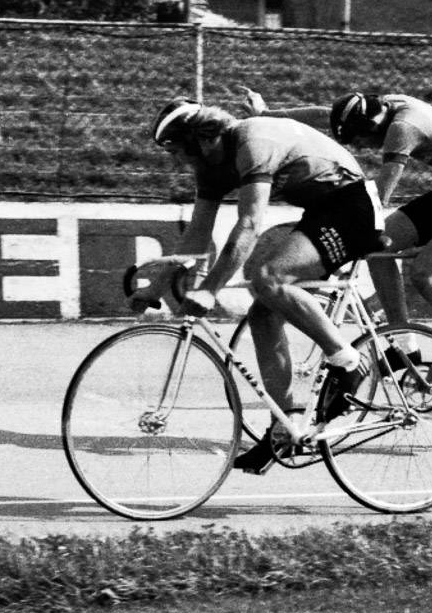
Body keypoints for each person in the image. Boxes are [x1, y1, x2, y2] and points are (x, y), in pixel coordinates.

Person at [148, 98, 388, 473]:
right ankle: (286, 426)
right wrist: (155, 285)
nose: (181, 162)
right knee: (262, 315)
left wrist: (210, 288)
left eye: (181, 151)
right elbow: (196, 236)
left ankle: (349, 362)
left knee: (268, 277)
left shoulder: (252, 141)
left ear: (202, 140)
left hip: (352, 207)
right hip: (320, 213)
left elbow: (249, 225)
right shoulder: (208, 167)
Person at [241, 88, 432, 385]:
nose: (364, 147)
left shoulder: (403, 129)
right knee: (378, 251)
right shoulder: (380, 106)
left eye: (361, 141)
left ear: (371, 127)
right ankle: (406, 347)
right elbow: (325, 115)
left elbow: (381, 194)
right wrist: (266, 115)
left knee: (425, 274)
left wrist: (346, 234)